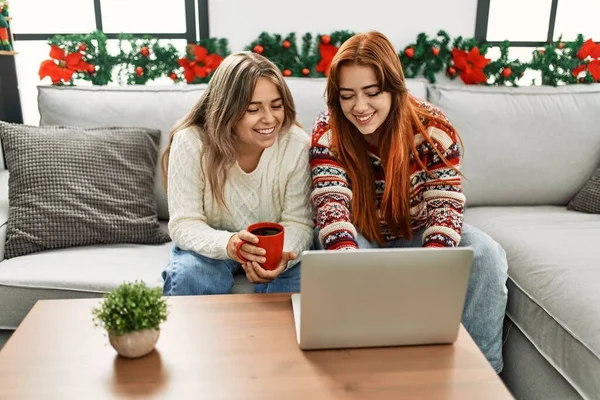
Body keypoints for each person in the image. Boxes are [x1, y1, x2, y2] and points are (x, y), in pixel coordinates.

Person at [310, 31, 508, 373]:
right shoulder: (328, 132)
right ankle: (370, 372)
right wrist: (351, 268)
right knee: (335, 255)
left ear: (394, 89)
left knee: (487, 254)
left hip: (418, 233)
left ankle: (482, 372)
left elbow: (445, 209)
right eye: (347, 96)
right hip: (359, 238)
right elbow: (331, 207)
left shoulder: (433, 128)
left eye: (372, 93)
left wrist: (429, 273)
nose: (359, 107)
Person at [161, 51, 313, 296]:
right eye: (253, 109)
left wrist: (281, 257)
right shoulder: (191, 142)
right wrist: (230, 245)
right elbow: (184, 223)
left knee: (299, 278)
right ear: (227, 111)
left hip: (273, 247)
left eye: (276, 106)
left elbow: (298, 223)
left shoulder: (296, 144)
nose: (269, 119)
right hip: (212, 245)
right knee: (192, 275)